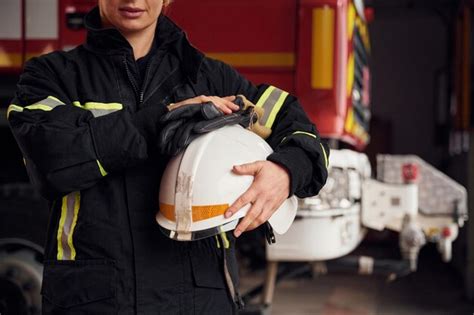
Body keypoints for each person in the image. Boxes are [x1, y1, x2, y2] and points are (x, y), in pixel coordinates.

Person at [8, 0, 329, 313]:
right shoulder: (51, 76)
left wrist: (285, 172)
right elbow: (52, 158)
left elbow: (298, 127)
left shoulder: (212, 79)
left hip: (199, 300)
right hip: (96, 299)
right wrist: (161, 121)